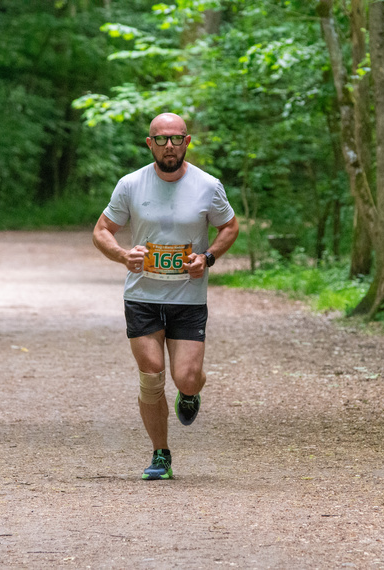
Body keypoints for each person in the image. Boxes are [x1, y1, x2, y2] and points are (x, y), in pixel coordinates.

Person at [92, 113, 239, 480]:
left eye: (176, 139)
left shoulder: (208, 185)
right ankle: (161, 454)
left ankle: (190, 393)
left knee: (186, 378)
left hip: (188, 297)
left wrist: (207, 258)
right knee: (152, 375)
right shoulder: (130, 184)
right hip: (142, 296)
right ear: (149, 143)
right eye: (161, 140)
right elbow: (102, 230)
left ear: (187, 142)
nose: (169, 146)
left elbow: (230, 226)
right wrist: (123, 255)